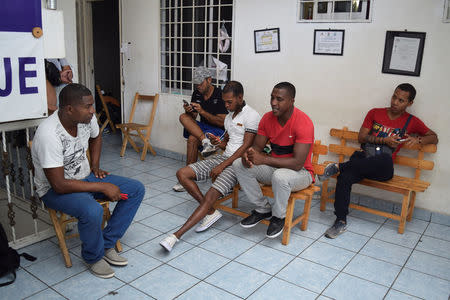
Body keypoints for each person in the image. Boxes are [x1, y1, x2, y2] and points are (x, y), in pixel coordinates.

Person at [32, 83, 144, 278]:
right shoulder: (48, 134)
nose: (93, 111)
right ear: (69, 109)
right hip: (55, 190)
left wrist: (95, 166)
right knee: (92, 209)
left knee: (136, 189)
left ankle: (106, 244)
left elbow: (97, 136)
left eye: (92, 105)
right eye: (88, 107)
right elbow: (58, 185)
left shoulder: (85, 119)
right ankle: (93, 257)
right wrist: (101, 185)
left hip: (86, 177)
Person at [320, 83, 438, 239]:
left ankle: (339, 166)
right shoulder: (375, 113)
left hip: (382, 167)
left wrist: (418, 139)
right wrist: (385, 141)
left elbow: (434, 137)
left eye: (401, 100)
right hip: (362, 159)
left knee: (382, 159)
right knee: (344, 177)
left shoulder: (412, 121)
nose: (395, 102)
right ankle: (340, 221)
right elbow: (361, 137)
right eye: (394, 97)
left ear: (410, 103)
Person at [160, 81, 261, 251]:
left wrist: (222, 166)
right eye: (225, 102)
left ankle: (175, 236)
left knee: (210, 194)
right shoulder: (230, 117)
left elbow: (245, 147)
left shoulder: (252, 116)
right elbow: (229, 143)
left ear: (240, 97)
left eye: (229, 102)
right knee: (182, 174)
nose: (226, 105)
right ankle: (211, 212)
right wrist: (218, 143)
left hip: (238, 164)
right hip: (225, 157)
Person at [232, 82, 315, 239]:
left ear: (292, 101)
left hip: (301, 173)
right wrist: (248, 157)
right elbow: (256, 148)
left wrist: (263, 159)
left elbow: (297, 163)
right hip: (275, 169)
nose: (273, 103)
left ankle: (279, 217)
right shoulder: (267, 118)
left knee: (281, 176)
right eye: (272, 97)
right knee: (238, 164)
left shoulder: (303, 122)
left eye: (279, 99)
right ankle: (263, 209)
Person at [172, 66, 228, 192]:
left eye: (200, 83)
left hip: (219, 132)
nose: (198, 86)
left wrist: (202, 111)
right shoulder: (197, 93)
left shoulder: (220, 95)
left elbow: (222, 122)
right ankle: (187, 178)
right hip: (204, 131)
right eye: (196, 83)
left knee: (193, 138)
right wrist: (190, 111)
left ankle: (186, 177)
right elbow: (193, 117)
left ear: (209, 80)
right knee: (184, 118)